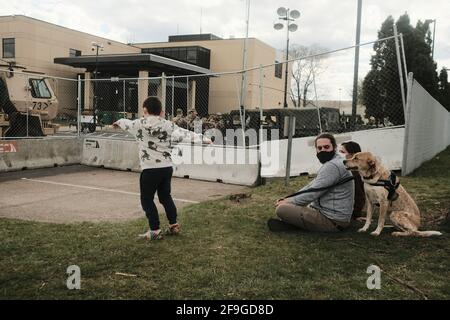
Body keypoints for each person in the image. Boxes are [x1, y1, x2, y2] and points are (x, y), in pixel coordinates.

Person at [113, 97, 211, 240]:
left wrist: (118, 122)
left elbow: (126, 122)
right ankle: (173, 225)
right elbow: (186, 134)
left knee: (146, 199)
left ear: (145, 110)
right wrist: (204, 139)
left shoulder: (138, 124)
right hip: (166, 168)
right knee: (165, 197)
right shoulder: (169, 125)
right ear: (162, 112)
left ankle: (155, 229)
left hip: (150, 169)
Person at [273, 133, 355, 232]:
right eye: (319, 148)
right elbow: (311, 186)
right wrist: (289, 198)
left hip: (332, 220)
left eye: (326, 147)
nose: (323, 150)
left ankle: (295, 225)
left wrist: (289, 202)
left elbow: (314, 192)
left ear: (334, 147)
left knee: (281, 209)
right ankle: (296, 224)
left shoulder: (332, 166)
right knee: (290, 205)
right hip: (333, 217)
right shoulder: (335, 162)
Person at [339, 141, 366, 219]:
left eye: (342, 152)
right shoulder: (350, 169)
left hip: (350, 211)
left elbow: (359, 194)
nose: (340, 154)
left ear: (352, 154)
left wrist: (356, 214)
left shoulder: (354, 172)